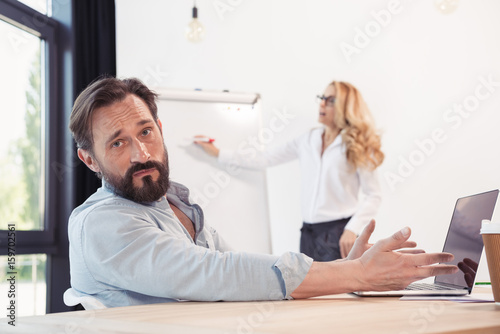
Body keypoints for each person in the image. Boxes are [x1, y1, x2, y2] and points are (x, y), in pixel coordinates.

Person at [67, 77, 457, 308]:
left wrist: (347, 272)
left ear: (160, 129)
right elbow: (214, 273)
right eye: (117, 143)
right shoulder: (101, 223)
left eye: (146, 132)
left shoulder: (177, 206)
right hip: (312, 230)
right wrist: (353, 273)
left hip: (340, 227)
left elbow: (235, 267)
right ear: (90, 160)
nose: (142, 153)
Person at [195, 81, 383, 261]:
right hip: (308, 234)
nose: (322, 104)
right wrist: (219, 153)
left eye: (331, 100)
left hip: (339, 234)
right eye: (322, 97)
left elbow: (374, 195)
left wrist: (352, 229)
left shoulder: (357, 145)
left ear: (346, 106)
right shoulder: (308, 140)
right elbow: (266, 157)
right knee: (309, 292)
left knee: (339, 293)